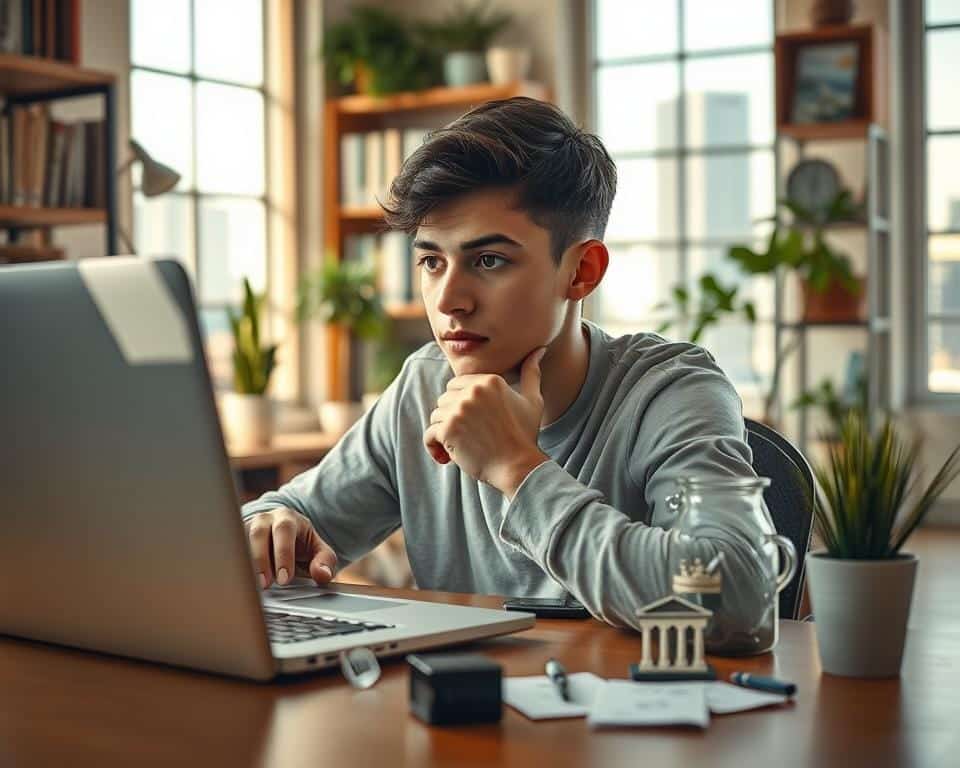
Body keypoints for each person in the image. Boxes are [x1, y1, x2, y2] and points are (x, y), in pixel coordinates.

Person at [242, 97, 765, 630]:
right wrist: (268, 528)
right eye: (431, 261)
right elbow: (281, 516)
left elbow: (737, 595)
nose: (448, 300)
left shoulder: (671, 391)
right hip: (460, 686)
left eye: (489, 260)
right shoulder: (423, 385)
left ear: (581, 271)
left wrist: (516, 468)